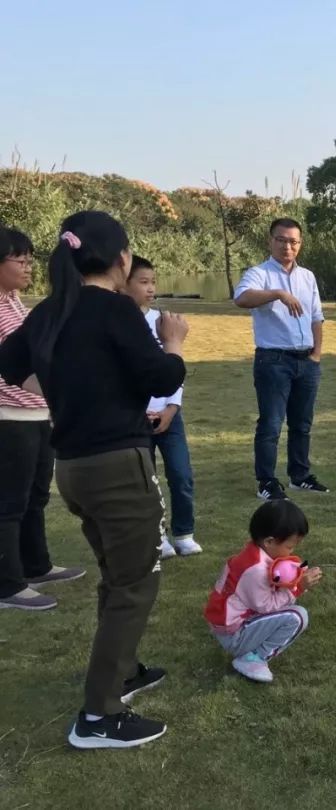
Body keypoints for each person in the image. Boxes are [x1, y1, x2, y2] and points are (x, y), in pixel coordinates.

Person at [0, 211, 189, 749]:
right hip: (116, 466)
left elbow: (8, 365)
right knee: (135, 583)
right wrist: (173, 341)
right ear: (121, 258)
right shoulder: (116, 309)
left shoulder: (49, 311)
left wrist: (69, 391)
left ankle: (122, 672)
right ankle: (99, 717)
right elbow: (162, 375)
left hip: (73, 467)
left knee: (116, 573)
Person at [0, 227, 85, 611]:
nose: (28, 267)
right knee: (9, 501)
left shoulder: (15, 302)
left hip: (36, 413)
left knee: (36, 495)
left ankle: (36, 565)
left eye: (30, 260)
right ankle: (8, 585)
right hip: (8, 416)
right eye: (20, 260)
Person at [234, 218, 328, 501]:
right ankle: (266, 481)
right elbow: (241, 298)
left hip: (306, 361)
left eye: (293, 241)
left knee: (302, 424)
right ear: (270, 241)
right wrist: (278, 294)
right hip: (273, 360)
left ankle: (300, 476)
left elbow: (316, 316)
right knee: (271, 424)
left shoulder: (307, 277)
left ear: (300, 244)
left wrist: (316, 354)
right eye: (282, 240)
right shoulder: (259, 273)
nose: (288, 246)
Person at [124, 256, 200, 559]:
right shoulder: (118, 323)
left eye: (153, 282)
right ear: (123, 283)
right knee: (147, 481)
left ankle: (184, 533)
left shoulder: (163, 321)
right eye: (143, 282)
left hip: (168, 414)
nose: (151, 288)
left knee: (181, 474)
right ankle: (158, 536)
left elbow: (175, 366)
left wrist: (172, 408)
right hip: (136, 417)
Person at [204, 500, 322, 683]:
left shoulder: (253, 554)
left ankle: (251, 651)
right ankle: (253, 658)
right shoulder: (256, 570)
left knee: (288, 608)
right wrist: (298, 588)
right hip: (234, 635)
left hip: (230, 626)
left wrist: (294, 578)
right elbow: (267, 606)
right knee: (297, 616)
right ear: (269, 542)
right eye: (290, 547)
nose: (292, 551)